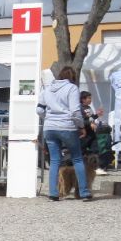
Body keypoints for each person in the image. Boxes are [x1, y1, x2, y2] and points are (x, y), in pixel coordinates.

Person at [36, 66, 91, 201]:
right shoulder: (72, 88)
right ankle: (84, 192)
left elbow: (39, 109)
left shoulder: (47, 88)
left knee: (55, 161)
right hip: (67, 126)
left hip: (49, 128)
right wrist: (81, 126)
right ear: (72, 77)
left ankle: (53, 193)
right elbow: (75, 111)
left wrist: (48, 118)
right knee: (77, 158)